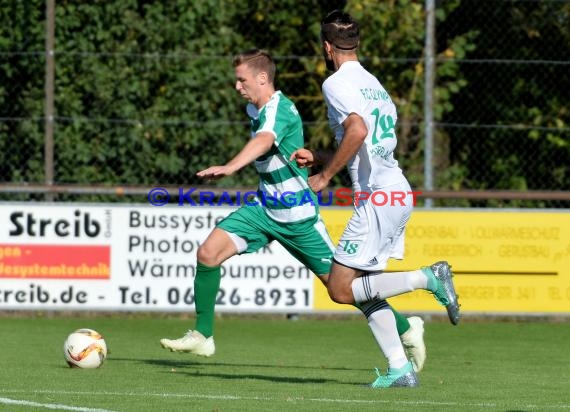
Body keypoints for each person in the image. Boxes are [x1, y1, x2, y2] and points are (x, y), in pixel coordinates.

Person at [159, 48, 427, 370]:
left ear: (262, 78)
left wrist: (231, 166)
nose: (237, 86)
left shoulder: (279, 109)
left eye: (242, 80)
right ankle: (203, 336)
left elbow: (265, 140)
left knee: (344, 288)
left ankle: (407, 327)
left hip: (299, 218)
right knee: (208, 254)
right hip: (264, 210)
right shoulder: (253, 108)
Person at [290, 11, 460, 388]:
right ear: (358, 44)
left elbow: (357, 130)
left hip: (378, 198)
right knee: (364, 286)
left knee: (339, 288)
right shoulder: (374, 84)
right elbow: (369, 144)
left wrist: (324, 175)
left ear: (327, 47)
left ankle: (428, 277)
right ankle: (400, 368)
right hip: (395, 190)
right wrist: (319, 156)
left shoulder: (336, 83)